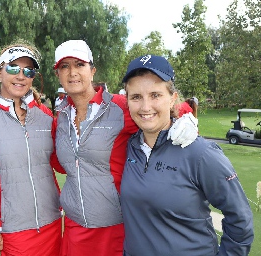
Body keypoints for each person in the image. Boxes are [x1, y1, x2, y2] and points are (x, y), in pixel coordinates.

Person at [52, 40, 198, 256]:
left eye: (79, 65)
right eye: (65, 66)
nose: (72, 72)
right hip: (75, 227)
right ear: (58, 75)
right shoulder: (61, 118)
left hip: (115, 225)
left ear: (92, 71)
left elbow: (155, 108)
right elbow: (63, 165)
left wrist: (185, 117)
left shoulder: (119, 107)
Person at [120, 54, 254, 255]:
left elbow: (240, 219)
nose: (145, 107)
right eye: (136, 97)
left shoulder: (201, 153)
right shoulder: (131, 146)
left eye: (155, 95)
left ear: (172, 99)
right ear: (127, 101)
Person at [0, 41, 64, 255]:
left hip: (53, 221)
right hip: (13, 228)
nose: (21, 75)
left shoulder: (45, 114)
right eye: (13, 68)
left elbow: (59, 163)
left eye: (28, 70)